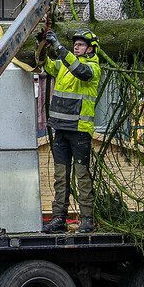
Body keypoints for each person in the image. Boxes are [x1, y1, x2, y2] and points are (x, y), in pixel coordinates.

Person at [41, 28, 102, 234]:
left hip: (80, 130)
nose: (76, 46)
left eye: (81, 44)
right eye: (75, 43)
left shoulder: (92, 69)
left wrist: (58, 46)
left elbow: (78, 70)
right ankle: (59, 218)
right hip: (61, 129)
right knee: (61, 176)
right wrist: (41, 47)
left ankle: (87, 219)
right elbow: (47, 65)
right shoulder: (64, 65)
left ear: (91, 49)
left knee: (82, 176)